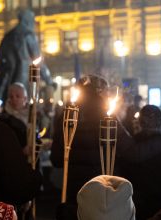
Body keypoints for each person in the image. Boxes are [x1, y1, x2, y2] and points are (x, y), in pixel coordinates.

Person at [50, 74, 133, 220]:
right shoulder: (108, 117)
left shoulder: (67, 115)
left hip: (75, 192)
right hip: (103, 191)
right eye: (106, 91)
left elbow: (56, 159)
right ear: (100, 91)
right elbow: (127, 149)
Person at [0, 9, 54, 105]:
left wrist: (7, 69)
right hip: (25, 78)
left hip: (8, 78)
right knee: (24, 106)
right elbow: (38, 59)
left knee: (8, 106)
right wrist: (49, 81)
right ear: (28, 20)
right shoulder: (28, 35)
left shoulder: (8, 36)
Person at [0, 115, 42, 208]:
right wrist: (37, 177)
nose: (15, 99)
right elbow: (17, 184)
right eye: (12, 98)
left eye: (18, 98)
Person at [0, 82, 28, 153]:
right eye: (11, 97)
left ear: (25, 98)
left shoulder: (33, 114)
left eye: (18, 96)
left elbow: (38, 134)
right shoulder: (4, 118)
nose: (14, 99)